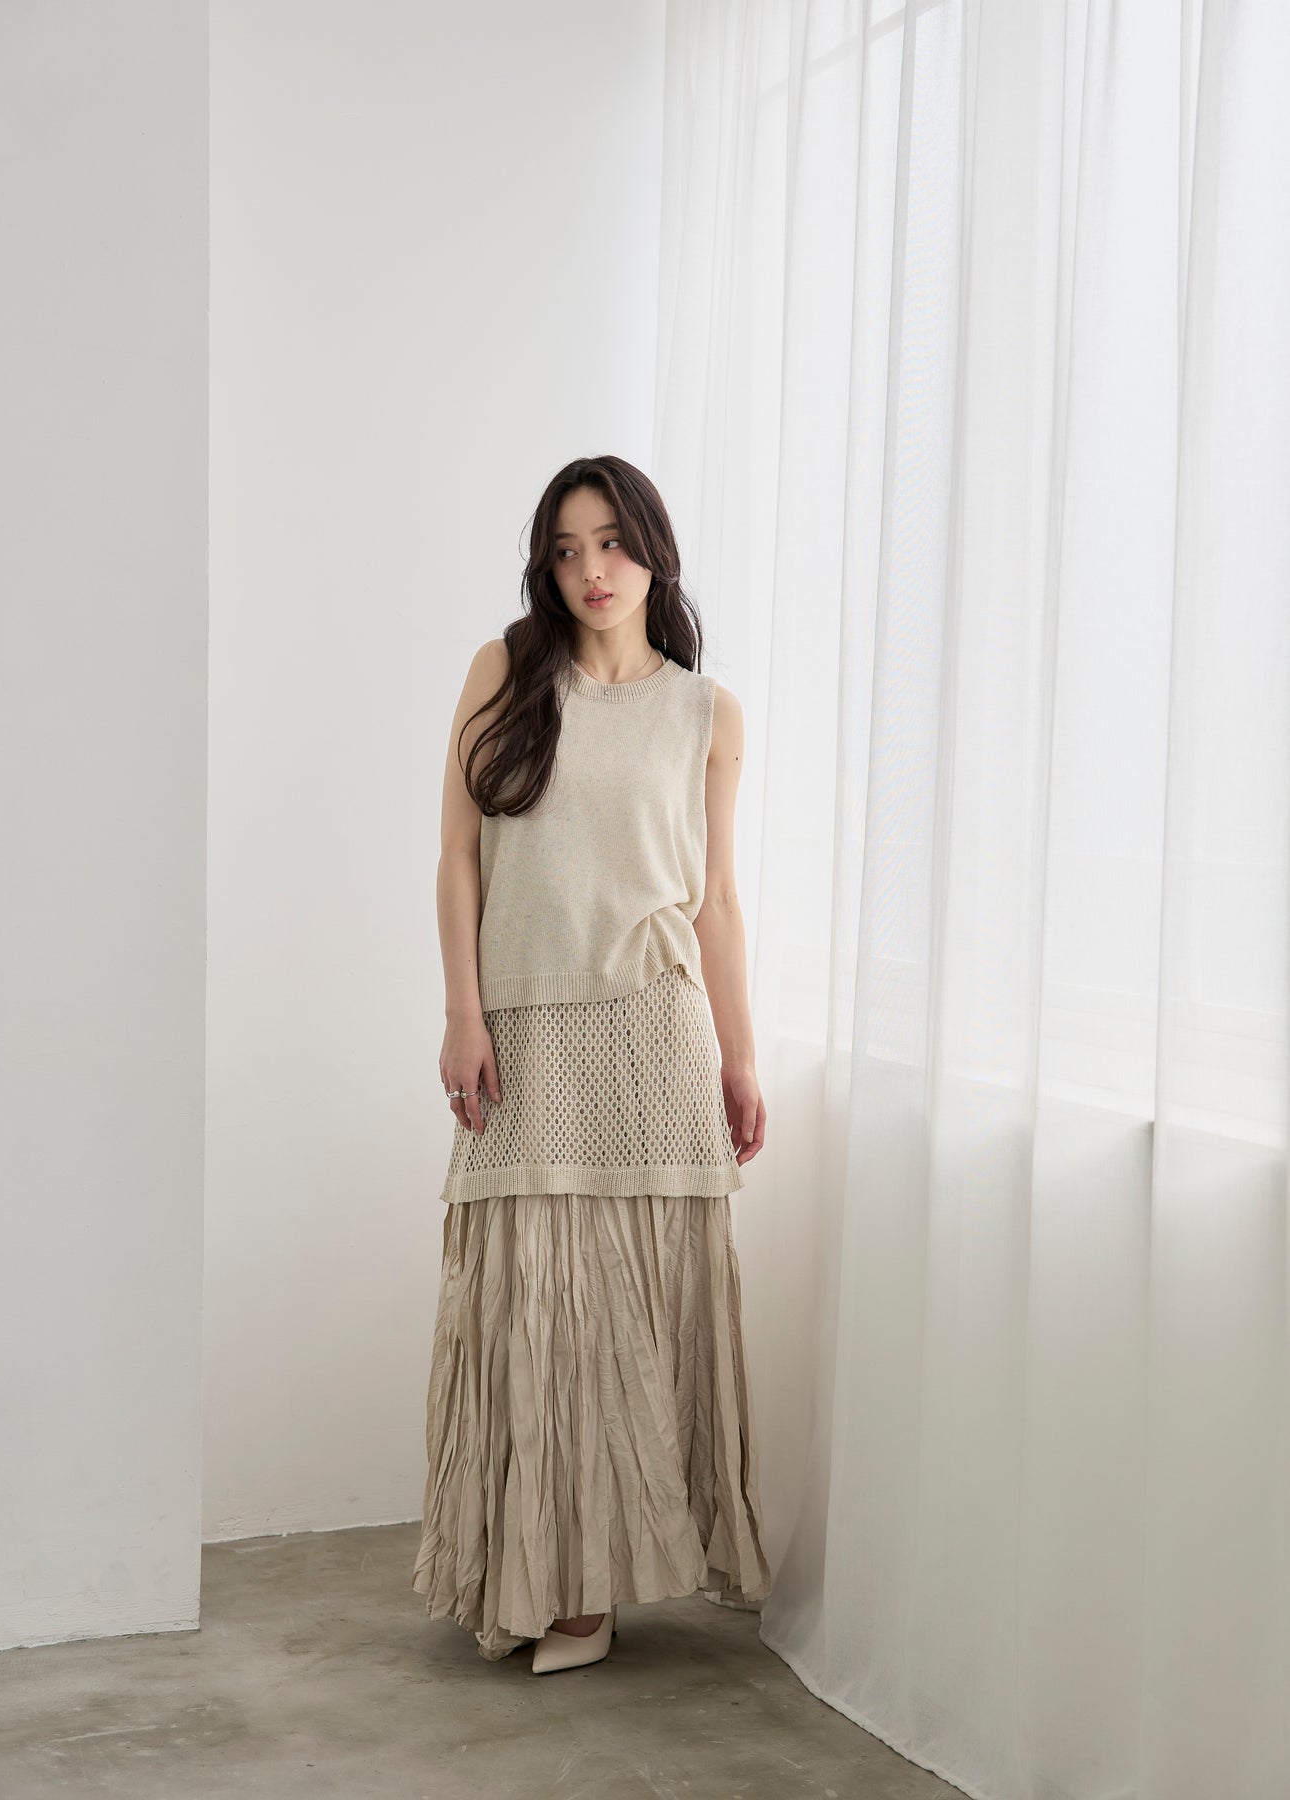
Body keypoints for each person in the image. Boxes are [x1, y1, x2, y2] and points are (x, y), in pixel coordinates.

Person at [411, 453, 771, 1672]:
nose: (592, 571)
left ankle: (590, 1593)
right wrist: (464, 1013)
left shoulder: (707, 711)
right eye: (566, 551)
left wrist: (740, 1060)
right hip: (524, 1026)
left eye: (611, 543)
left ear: (653, 551)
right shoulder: (506, 671)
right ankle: (532, 1570)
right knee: (531, 1306)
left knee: (633, 1313)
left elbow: (717, 901)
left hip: (656, 1029)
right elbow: (459, 856)